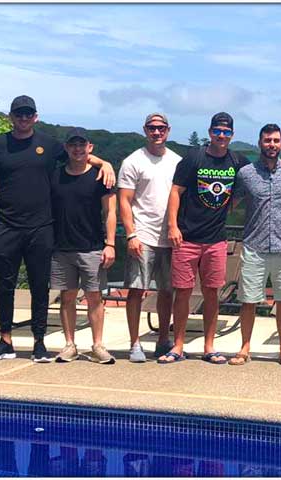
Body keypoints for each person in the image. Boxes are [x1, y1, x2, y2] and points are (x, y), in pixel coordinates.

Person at [0, 95, 115, 363]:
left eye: (28, 114)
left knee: (40, 285)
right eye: (19, 114)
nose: (24, 119)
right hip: (6, 224)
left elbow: (79, 155)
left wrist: (103, 163)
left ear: (35, 117)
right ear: (11, 117)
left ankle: (39, 341)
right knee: (4, 285)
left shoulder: (48, 144)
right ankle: (5, 340)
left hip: (41, 226)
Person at [160, 112, 250, 364]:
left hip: (216, 239)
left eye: (226, 132)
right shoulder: (194, 158)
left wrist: (233, 204)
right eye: (217, 131)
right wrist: (172, 226)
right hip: (187, 237)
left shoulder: (237, 160)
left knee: (212, 293)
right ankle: (177, 345)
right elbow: (176, 192)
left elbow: (254, 179)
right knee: (183, 293)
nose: (221, 136)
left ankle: (209, 346)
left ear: (232, 135)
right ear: (210, 132)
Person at [228, 124, 281, 367]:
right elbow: (231, 204)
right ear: (259, 143)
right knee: (248, 301)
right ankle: (244, 348)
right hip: (254, 245)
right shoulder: (246, 173)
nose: (272, 144)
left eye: (276, 140)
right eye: (267, 140)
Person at [118, 113, 181, 362]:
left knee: (167, 292)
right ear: (145, 130)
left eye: (161, 128)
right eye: (152, 128)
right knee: (136, 290)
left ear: (168, 130)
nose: (157, 132)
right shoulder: (133, 161)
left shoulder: (178, 161)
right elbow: (124, 200)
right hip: (142, 235)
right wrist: (131, 234)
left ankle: (163, 339)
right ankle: (135, 343)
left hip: (169, 236)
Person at [51, 128, 117, 364]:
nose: (77, 149)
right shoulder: (55, 175)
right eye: (73, 145)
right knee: (66, 298)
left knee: (94, 297)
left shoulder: (101, 177)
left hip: (92, 246)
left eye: (82, 145)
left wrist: (110, 244)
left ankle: (98, 345)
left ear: (90, 148)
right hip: (61, 247)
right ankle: (70, 345)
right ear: (67, 148)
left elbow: (110, 212)